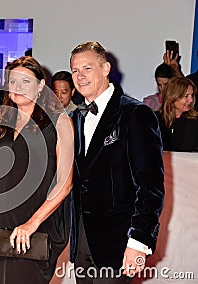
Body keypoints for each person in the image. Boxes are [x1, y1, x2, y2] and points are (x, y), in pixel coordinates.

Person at [68, 41, 164, 283]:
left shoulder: (135, 114)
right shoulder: (74, 117)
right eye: (75, 70)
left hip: (118, 243)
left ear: (106, 68)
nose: (80, 76)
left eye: (87, 68)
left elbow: (150, 186)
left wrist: (139, 241)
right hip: (82, 241)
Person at [0, 56, 74, 283]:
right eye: (13, 82)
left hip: (35, 225)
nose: (18, 88)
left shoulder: (59, 123)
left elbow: (65, 183)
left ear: (41, 85)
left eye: (26, 81)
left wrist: (32, 223)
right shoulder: (0, 123)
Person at [155, 77, 198, 151]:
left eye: (192, 95)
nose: (191, 100)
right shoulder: (154, 120)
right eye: (186, 96)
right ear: (173, 97)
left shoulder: (195, 121)